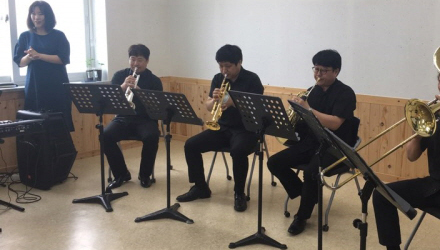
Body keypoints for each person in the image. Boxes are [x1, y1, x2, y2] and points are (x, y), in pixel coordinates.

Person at [364, 74, 440, 250]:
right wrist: (420, 129)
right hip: (435, 185)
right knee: (382, 195)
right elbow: (412, 156)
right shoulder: (437, 115)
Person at [267, 49, 357, 235]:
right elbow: (305, 122)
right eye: (316, 69)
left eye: (324, 70)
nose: (318, 74)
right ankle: (306, 193)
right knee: (274, 162)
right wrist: (295, 113)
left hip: (335, 148)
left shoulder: (346, 93)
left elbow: (335, 123)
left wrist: (308, 109)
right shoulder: (311, 91)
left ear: (336, 71)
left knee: (311, 172)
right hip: (310, 143)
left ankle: (302, 216)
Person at [177, 44, 263, 212]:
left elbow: (257, 108)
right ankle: (200, 187)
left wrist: (234, 102)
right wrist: (214, 100)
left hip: (246, 129)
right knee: (191, 145)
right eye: (221, 66)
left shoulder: (252, 79)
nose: (224, 70)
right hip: (222, 128)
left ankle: (239, 193)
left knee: (238, 151)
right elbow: (209, 106)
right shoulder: (218, 78)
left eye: (228, 66)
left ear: (239, 62)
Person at [105, 44, 163, 189]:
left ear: (147, 61)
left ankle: (145, 175)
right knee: (105, 135)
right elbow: (111, 99)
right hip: (123, 118)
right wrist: (123, 86)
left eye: (140, 60)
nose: (136, 63)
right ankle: (121, 174)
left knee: (152, 137)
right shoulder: (119, 75)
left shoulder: (154, 81)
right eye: (132, 59)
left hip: (146, 120)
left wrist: (138, 91)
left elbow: (156, 107)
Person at [13, 0, 73, 131]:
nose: (36, 17)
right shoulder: (25, 36)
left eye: (40, 14)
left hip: (57, 85)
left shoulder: (59, 35)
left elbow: (63, 59)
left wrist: (39, 55)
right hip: (35, 86)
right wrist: (30, 56)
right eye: (33, 14)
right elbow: (20, 62)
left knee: (59, 127)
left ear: (47, 16)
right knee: (35, 127)